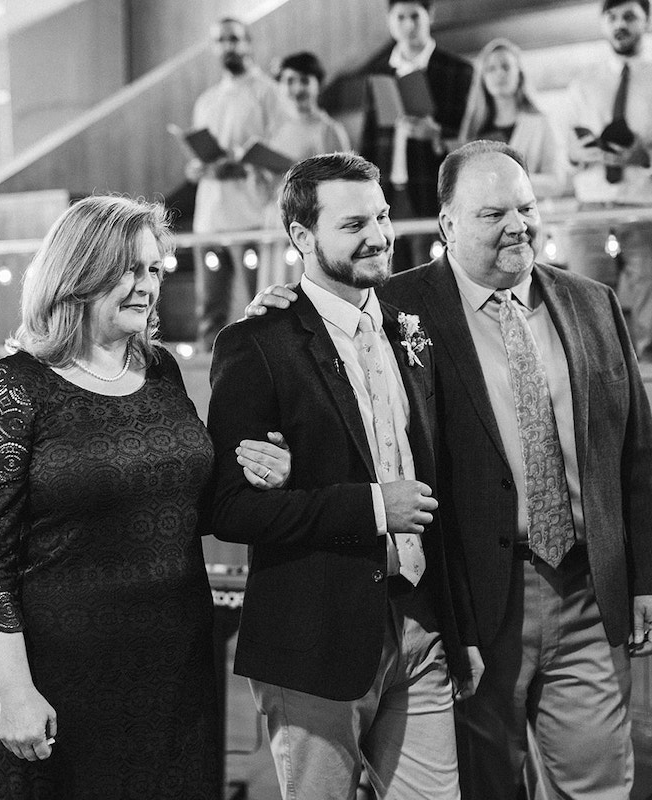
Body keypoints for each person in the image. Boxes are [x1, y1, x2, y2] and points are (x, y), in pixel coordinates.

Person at [248, 141, 652, 799]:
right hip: (478, 597)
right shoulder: (389, 309)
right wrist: (281, 315)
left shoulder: (594, 303)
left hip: (589, 588)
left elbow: (635, 454)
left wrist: (651, 576)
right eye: (493, 214)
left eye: (527, 208)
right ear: (447, 224)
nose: (518, 225)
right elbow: (316, 360)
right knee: (487, 783)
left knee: (599, 781)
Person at [0, 196, 292, 799]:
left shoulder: (159, 368)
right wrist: (14, 692)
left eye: (155, 270)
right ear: (79, 272)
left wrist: (265, 467)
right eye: (129, 270)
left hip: (176, 670)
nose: (148, 286)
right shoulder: (17, 385)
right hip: (65, 680)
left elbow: (200, 499)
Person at [207, 152, 480, 799]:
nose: (380, 236)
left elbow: (441, 485)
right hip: (315, 636)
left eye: (383, 217)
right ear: (302, 237)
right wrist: (372, 507)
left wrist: (459, 627)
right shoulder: (257, 344)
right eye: (355, 224)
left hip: (421, 625)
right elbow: (228, 510)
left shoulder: (408, 329)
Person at [561, 0, 652, 361]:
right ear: (603, 24)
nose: (620, 24)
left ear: (646, 21)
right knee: (586, 326)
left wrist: (645, 157)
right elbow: (563, 154)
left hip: (648, 207)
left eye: (629, 16)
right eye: (613, 17)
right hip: (591, 210)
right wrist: (579, 153)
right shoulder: (582, 83)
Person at [187, 17, 287, 350]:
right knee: (209, 310)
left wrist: (241, 166)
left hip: (252, 214)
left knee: (260, 308)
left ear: (248, 43)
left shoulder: (269, 93)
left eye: (234, 39)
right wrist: (199, 169)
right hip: (210, 218)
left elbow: (281, 154)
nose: (228, 46)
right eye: (221, 41)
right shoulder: (206, 100)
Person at [360, 0, 473, 270]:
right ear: (390, 20)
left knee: (437, 274)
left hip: (434, 186)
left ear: (430, 16)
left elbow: (469, 135)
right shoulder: (378, 72)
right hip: (388, 187)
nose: (408, 25)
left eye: (415, 17)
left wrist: (436, 133)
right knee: (388, 277)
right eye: (400, 17)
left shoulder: (456, 70)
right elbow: (369, 137)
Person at [259, 51, 352, 287]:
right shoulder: (275, 130)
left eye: (304, 81)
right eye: (289, 81)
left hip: (311, 220)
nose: (297, 88)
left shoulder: (329, 130)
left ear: (317, 85)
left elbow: (343, 185)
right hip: (277, 218)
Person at [458, 37, 569, 198]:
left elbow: (556, 183)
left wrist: (512, 179)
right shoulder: (473, 127)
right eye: (491, 69)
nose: (499, 74)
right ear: (483, 79)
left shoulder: (540, 122)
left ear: (519, 73)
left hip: (529, 215)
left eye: (506, 67)